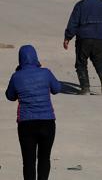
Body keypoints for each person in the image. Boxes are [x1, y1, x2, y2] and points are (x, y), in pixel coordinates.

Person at [5, 45, 61, 180]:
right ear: (36, 57)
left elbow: (10, 96)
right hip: (47, 122)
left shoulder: (16, 76)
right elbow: (57, 88)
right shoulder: (46, 72)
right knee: (44, 158)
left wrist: (18, 74)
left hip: (26, 124)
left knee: (28, 162)